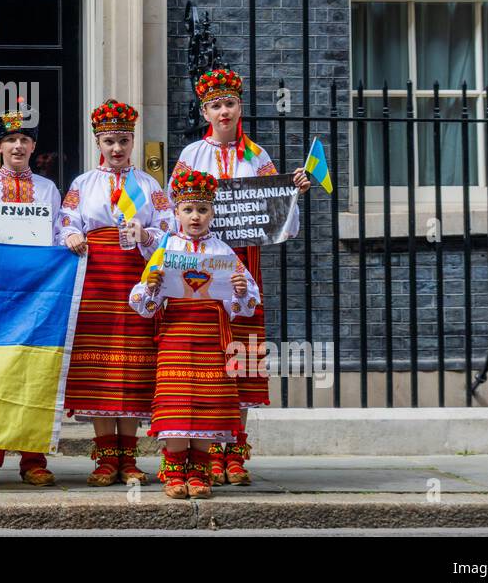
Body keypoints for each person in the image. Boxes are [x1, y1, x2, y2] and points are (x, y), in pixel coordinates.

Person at [171, 67, 310, 486]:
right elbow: (172, 214)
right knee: (211, 353)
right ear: (204, 111)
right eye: (215, 105)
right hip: (203, 263)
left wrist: (292, 192)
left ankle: (234, 451)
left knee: (243, 353)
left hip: (243, 262)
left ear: (239, 106)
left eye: (229, 102)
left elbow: (282, 221)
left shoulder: (258, 156)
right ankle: (208, 451)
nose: (223, 110)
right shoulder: (191, 155)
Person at [59, 99, 173, 486]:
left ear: (132, 139)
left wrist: (147, 234)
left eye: (124, 140)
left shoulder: (149, 185)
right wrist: (71, 234)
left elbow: (168, 226)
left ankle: (130, 456)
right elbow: (66, 219)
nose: (117, 149)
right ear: (98, 142)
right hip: (95, 280)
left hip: (136, 280)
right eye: (109, 141)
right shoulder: (82, 183)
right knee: (100, 365)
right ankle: (106, 457)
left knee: (133, 365)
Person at [127, 167, 260, 499]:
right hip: (176, 333)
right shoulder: (166, 248)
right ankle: (174, 469)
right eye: (188, 210)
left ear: (212, 212)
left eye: (202, 209)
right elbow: (141, 303)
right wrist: (152, 287)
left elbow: (248, 303)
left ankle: (199, 469)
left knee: (207, 402)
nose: (196, 216)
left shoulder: (223, 252)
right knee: (177, 400)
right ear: (176, 213)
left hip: (212, 335)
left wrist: (241, 290)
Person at [0, 102, 63, 488]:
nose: (18, 146)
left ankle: (33, 459)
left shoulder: (48, 188)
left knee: (33, 375)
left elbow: (57, 236)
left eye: (25, 138)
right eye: (10, 139)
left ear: (33, 145)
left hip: (38, 292)